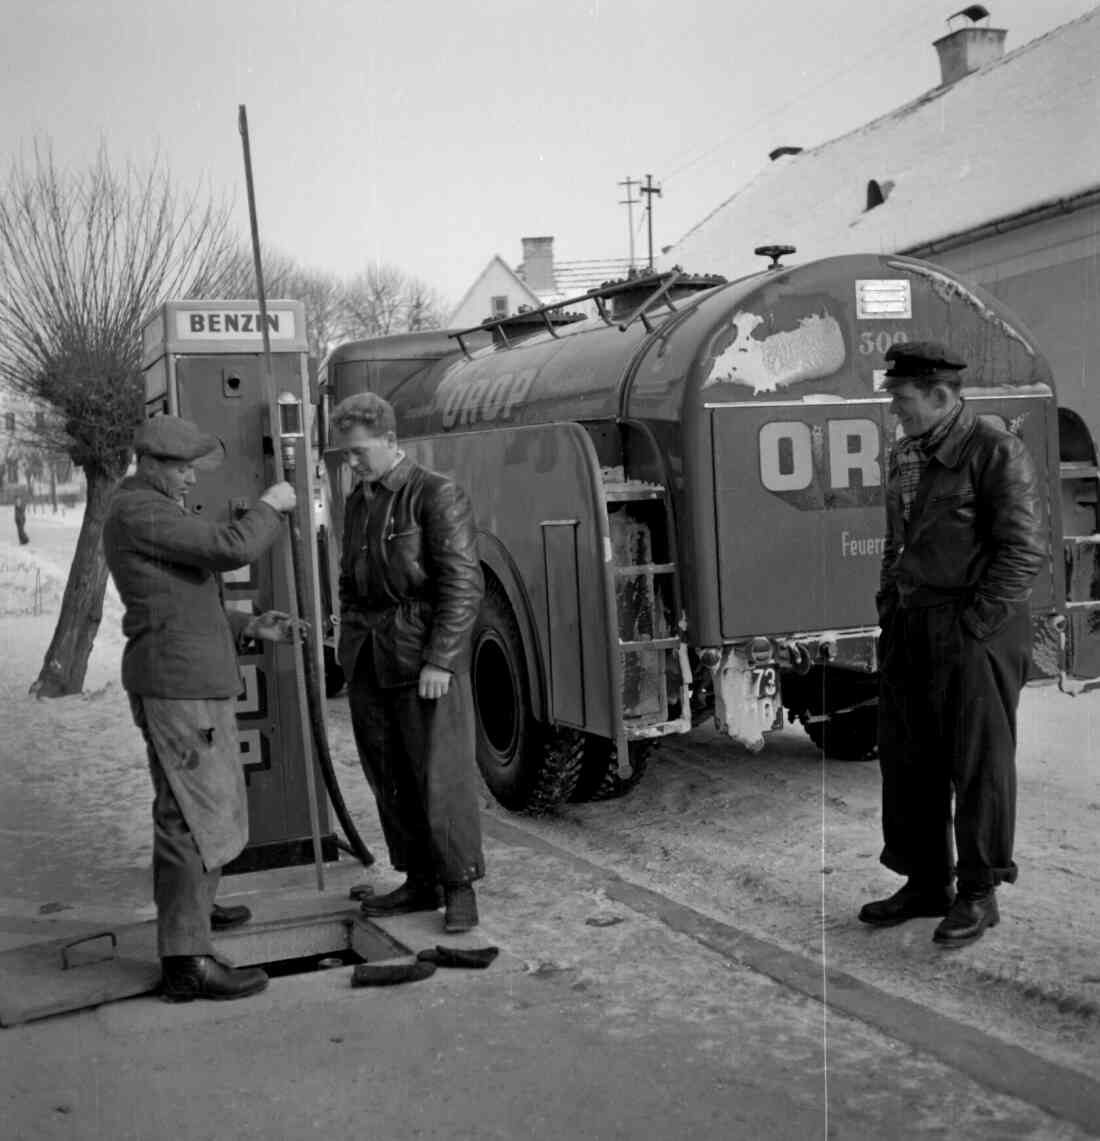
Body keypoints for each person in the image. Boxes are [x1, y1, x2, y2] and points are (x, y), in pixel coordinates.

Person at [103, 415, 300, 1001]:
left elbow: (179, 598)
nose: (192, 479)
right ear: (154, 464)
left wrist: (247, 624)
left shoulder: (149, 509)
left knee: (195, 807)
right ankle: (186, 959)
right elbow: (228, 548)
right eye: (184, 468)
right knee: (191, 813)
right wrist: (272, 504)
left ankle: (196, 914)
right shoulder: (139, 509)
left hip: (186, 677)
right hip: (179, 685)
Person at [859, 341, 1047, 944]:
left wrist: (976, 625)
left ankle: (978, 892)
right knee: (908, 757)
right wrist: (891, 607)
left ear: (940, 395)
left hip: (974, 628)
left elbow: (1023, 551)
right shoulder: (905, 456)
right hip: (913, 624)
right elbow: (899, 544)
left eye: (902, 397)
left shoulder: (994, 451)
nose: (895, 409)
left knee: (978, 762)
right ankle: (925, 882)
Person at [331, 391, 486, 934]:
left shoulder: (435, 495)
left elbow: (463, 584)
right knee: (390, 776)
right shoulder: (359, 500)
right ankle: (419, 879)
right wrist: (346, 637)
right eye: (344, 454)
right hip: (371, 657)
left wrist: (441, 660)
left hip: (422, 657)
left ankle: (458, 884)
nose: (350, 463)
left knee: (439, 777)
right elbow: (350, 581)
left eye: (358, 451)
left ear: (391, 441)